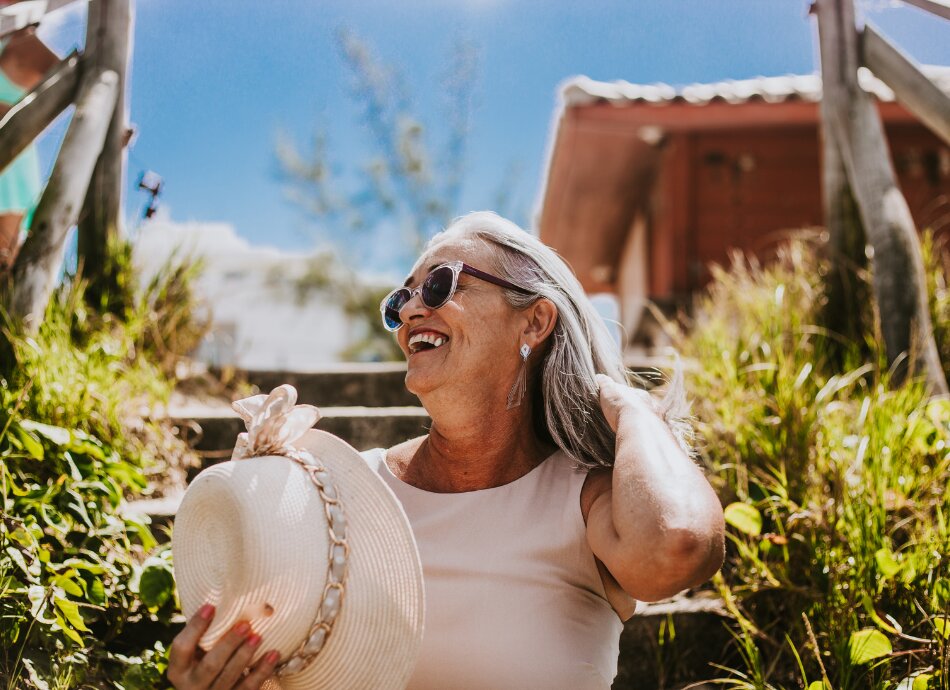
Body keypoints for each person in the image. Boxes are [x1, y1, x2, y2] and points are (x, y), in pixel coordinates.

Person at [168, 211, 725, 689]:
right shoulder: (336, 494)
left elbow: (676, 547)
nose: (410, 311)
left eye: (439, 284)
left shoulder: (585, 499)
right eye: (400, 299)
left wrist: (633, 410)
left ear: (534, 320)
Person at [0, 19, 58, 271]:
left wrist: (12, 114)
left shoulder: (23, 43)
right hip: (15, 157)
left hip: (12, 167)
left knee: (4, 259)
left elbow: (79, 80)